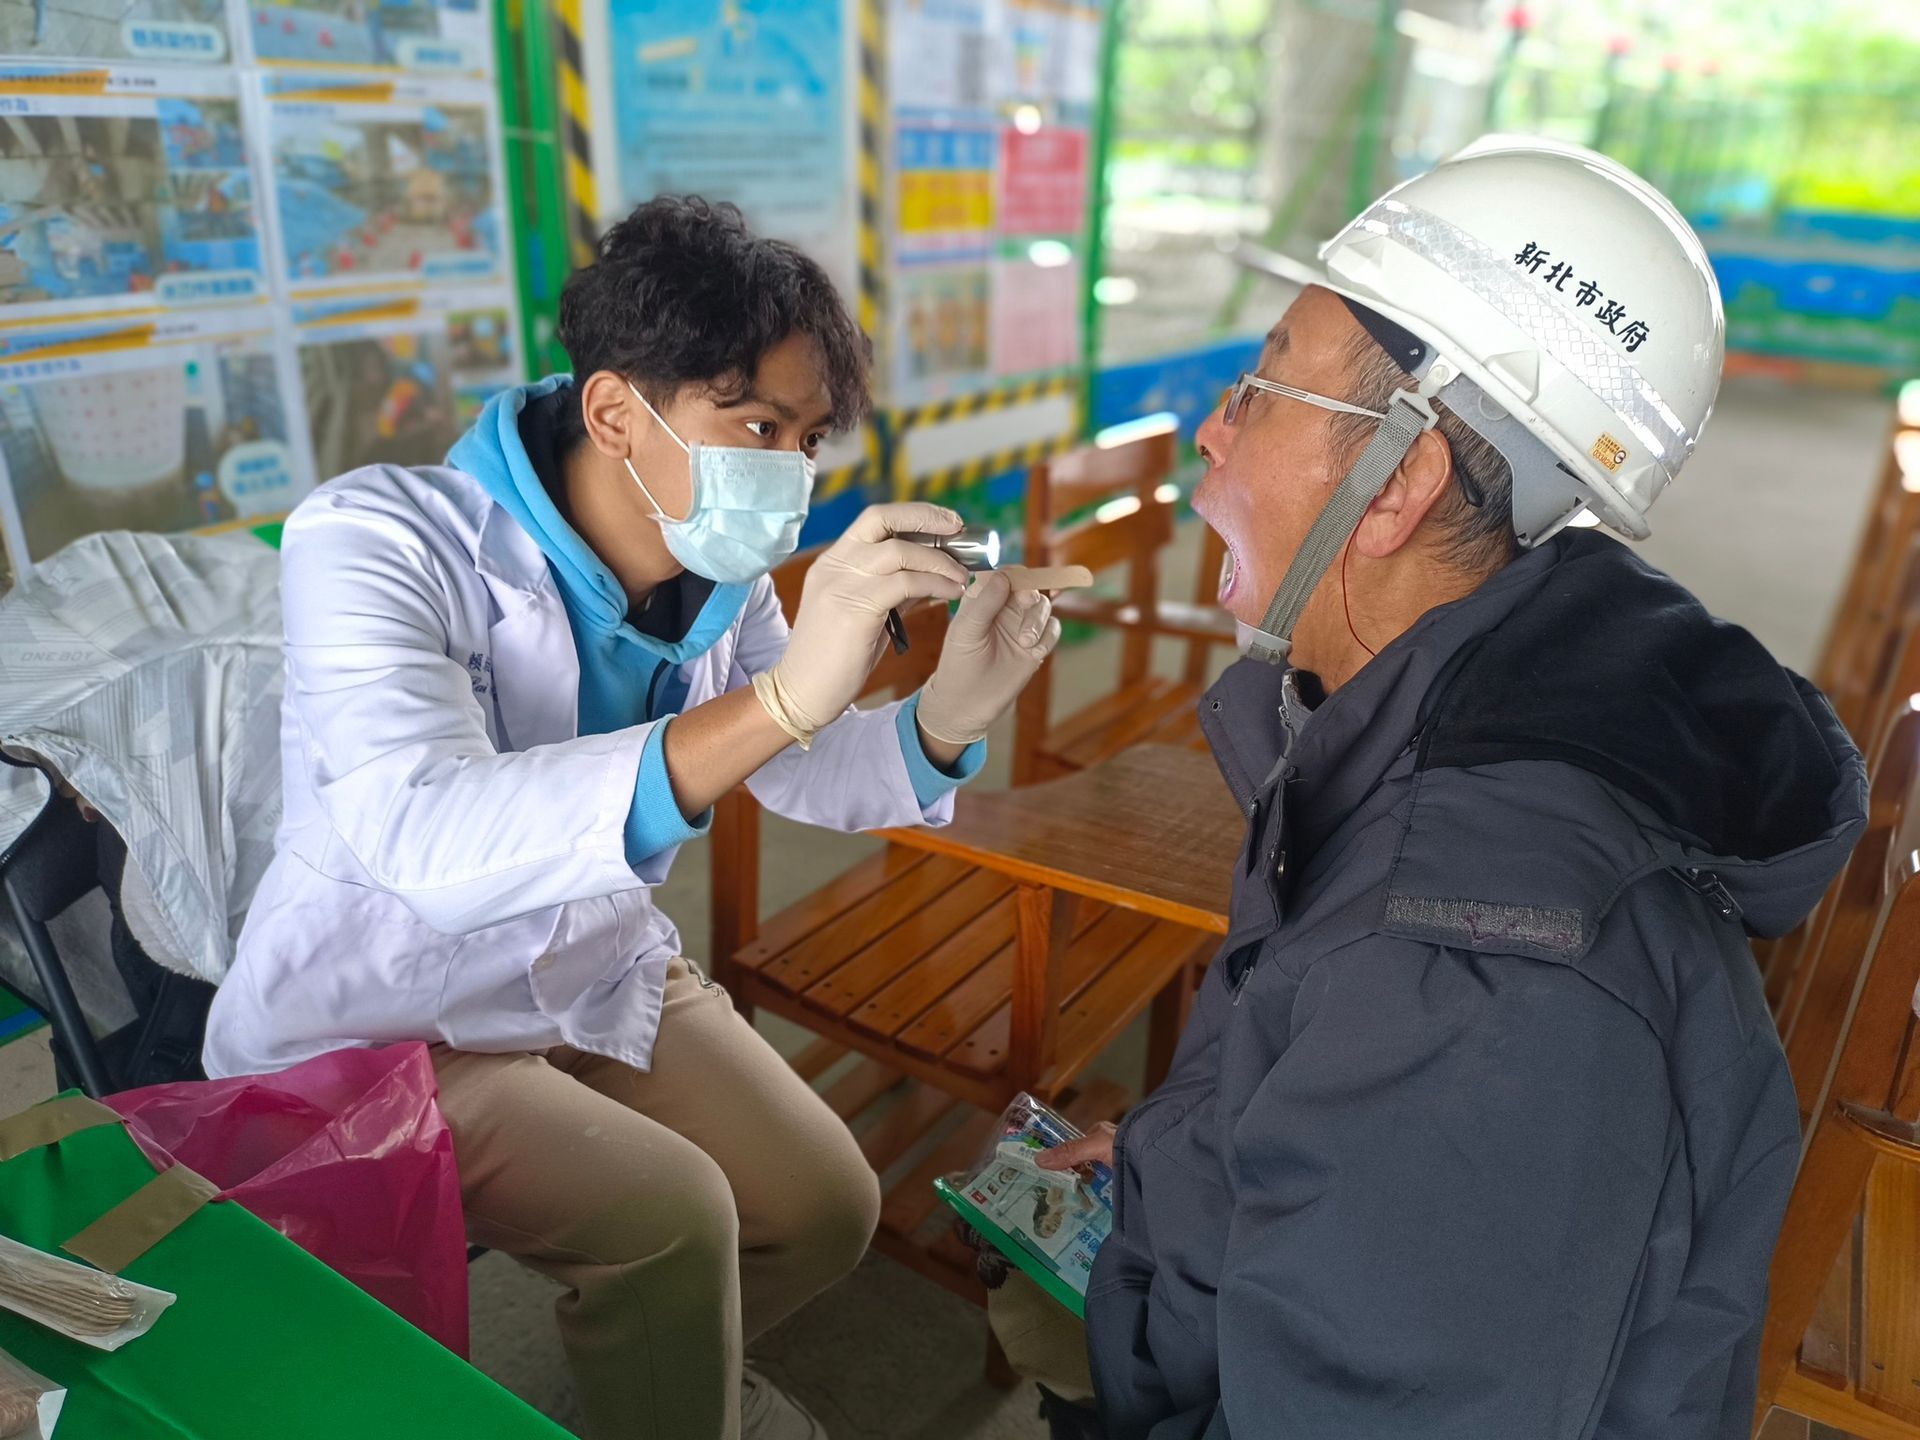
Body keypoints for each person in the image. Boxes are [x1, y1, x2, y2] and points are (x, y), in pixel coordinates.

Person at [988, 136, 1866, 1439]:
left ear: (1396, 480)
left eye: (1260, 389)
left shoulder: (1475, 975)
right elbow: (1360, 1131)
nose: (1213, 433)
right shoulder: (1448, 717)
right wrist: (1184, 1161)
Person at [203, 195, 1061, 1440]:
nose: (791, 471)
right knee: (674, 1218)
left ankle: (652, 1387)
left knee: (822, 1206)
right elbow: (423, 834)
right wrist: (780, 698)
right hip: (391, 1013)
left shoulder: (720, 578)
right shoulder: (378, 535)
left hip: (591, 961)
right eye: (758, 426)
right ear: (615, 412)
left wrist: (948, 712)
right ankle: (668, 1396)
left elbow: (797, 770)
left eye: (810, 438)